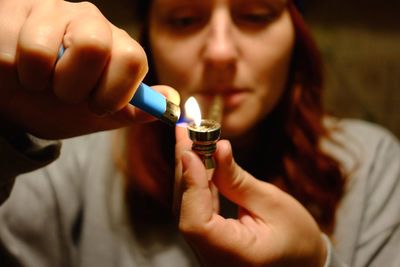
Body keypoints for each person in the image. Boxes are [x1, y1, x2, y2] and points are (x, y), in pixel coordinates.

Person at [0, 0, 399, 267]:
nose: (221, 52)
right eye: (185, 20)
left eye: (256, 15)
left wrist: (317, 262)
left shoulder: (373, 165)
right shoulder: (67, 159)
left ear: (298, 33)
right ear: (149, 38)